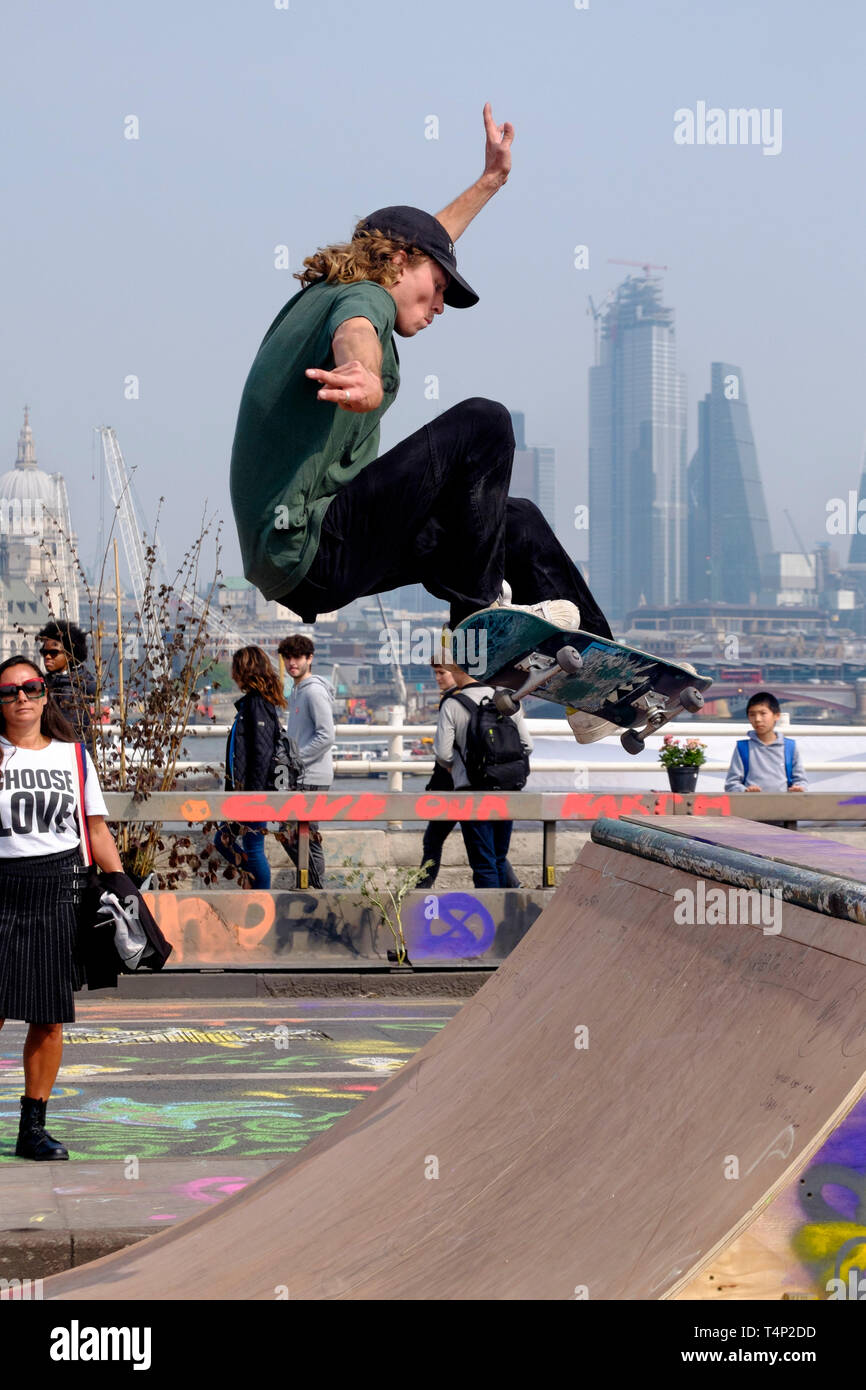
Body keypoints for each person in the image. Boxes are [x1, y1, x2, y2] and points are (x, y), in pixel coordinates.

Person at [229, 104, 614, 746]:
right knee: (483, 425)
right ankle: (476, 622)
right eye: (436, 289)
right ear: (398, 262)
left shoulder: (349, 283)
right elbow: (358, 328)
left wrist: (489, 182)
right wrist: (366, 373)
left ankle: (598, 687)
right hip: (313, 540)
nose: (439, 307)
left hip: (309, 560)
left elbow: (429, 240)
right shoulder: (361, 299)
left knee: (508, 519)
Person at [0, 656, 122, 1160]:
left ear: (46, 694)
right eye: (8, 692)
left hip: (57, 886)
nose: (21, 698)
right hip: (2, 885)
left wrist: (123, 888)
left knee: (48, 1018)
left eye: (30, 688)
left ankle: (33, 1129)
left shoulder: (73, 757)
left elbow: (95, 829)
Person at [419, 660, 520, 889]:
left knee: (481, 860)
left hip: (467, 788)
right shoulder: (506, 698)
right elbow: (527, 745)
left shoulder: (453, 704)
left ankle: (421, 891)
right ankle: (511, 907)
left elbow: (443, 753)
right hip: (507, 788)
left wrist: (458, 769)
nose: (438, 678)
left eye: (442, 672)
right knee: (498, 856)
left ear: (458, 670)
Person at [215, 646, 286, 890]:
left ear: (245, 670)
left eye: (235, 668)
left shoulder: (257, 704)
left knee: (253, 849)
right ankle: (254, 884)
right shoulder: (255, 703)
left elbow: (262, 754)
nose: (232, 674)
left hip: (253, 794)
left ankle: (261, 895)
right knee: (223, 840)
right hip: (246, 793)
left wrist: (252, 798)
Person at [275, 634, 335, 889]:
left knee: (303, 836)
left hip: (312, 776)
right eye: (287, 657)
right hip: (300, 775)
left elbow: (326, 735)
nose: (292, 663)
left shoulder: (314, 693)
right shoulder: (297, 691)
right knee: (292, 834)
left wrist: (296, 759)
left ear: (310, 659)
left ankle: (317, 889)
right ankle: (310, 885)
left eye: (297, 657)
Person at [724, 692, 808, 794]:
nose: (757, 719)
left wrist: (798, 788)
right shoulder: (743, 748)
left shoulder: (789, 747)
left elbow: (801, 780)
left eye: (763, 713)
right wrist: (745, 791)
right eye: (752, 715)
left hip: (783, 805)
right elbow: (731, 784)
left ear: (776, 716)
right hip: (752, 805)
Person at [37, 621, 97, 741]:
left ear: (69, 655)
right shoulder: (48, 682)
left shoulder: (72, 688)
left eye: (53, 653)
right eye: (44, 652)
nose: (47, 657)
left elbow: (70, 732)